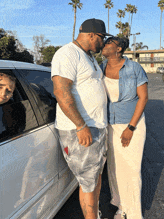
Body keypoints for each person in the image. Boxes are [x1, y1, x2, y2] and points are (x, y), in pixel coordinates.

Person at [51, 18, 112, 219]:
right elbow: (61, 91)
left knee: (94, 178)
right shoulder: (67, 54)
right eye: (102, 38)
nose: (102, 43)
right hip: (82, 128)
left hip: (97, 127)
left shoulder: (88, 56)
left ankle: (94, 213)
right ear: (91, 35)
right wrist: (80, 125)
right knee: (88, 182)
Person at [100, 36, 148, 219]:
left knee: (131, 168)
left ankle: (134, 213)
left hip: (131, 124)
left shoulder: (134, 68)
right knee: (114, 167)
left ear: (118, 48)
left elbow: (143, 98)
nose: (103, 46)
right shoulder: (101, 67)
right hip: (109, 123)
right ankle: (121, 204)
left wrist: (131, 127)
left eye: (108, 44)